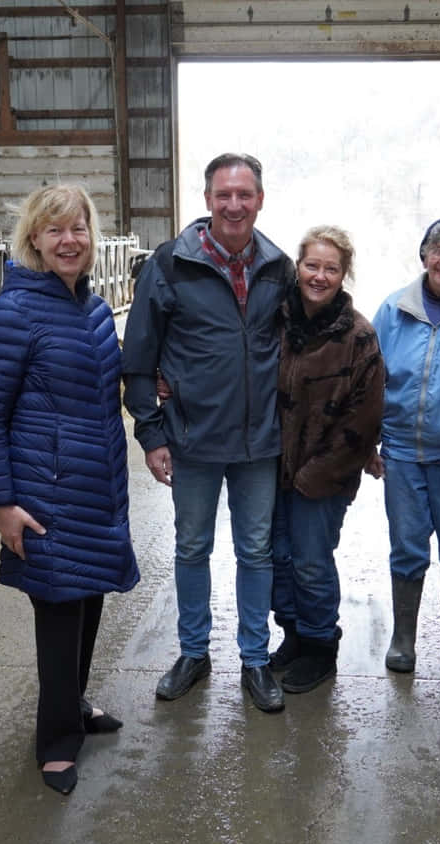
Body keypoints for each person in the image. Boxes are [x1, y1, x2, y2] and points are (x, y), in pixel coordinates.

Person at [0, 183, 140, 794]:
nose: (69, 241)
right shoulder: (14, 313)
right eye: (55, 230)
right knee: (59, 612)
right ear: (34, 240)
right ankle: (56, 741)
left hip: (97, 488)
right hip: (44, 495)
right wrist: (3, 503)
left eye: (79, 229)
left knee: (89, 599)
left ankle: (73, 705)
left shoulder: (93, 311)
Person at [121, 153, 293, 713]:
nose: (235, 205)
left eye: (245, 194)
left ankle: (255, 659)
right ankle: (194, 652)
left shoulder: (279, 267)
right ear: (207, 200)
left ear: (261, 200)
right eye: (224, 195)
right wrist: (151, 433)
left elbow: (307, 340)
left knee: (257, 550)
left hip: (258, 442)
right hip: (192, 440)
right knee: (192, 547)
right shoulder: (170, 265)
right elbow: (139, 356)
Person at [366, 215, 440, 675]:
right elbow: (368, 379)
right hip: (401, 451)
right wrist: (367, 441)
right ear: (423, 256)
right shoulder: (394, 310)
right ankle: (404, 637)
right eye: (436, 250)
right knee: (407, 546)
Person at [269, 226, 384, 693]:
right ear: (298, 268)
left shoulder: (358, 337)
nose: (319, 276)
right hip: (272, 467)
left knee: (311, 561)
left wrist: (317, 473)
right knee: (277, 556)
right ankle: (293, 634)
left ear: (343, 275)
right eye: (311, 265)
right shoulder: (276, 321)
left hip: (324, 475)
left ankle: (321, 647)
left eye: (330, 268)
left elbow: (366, 414)